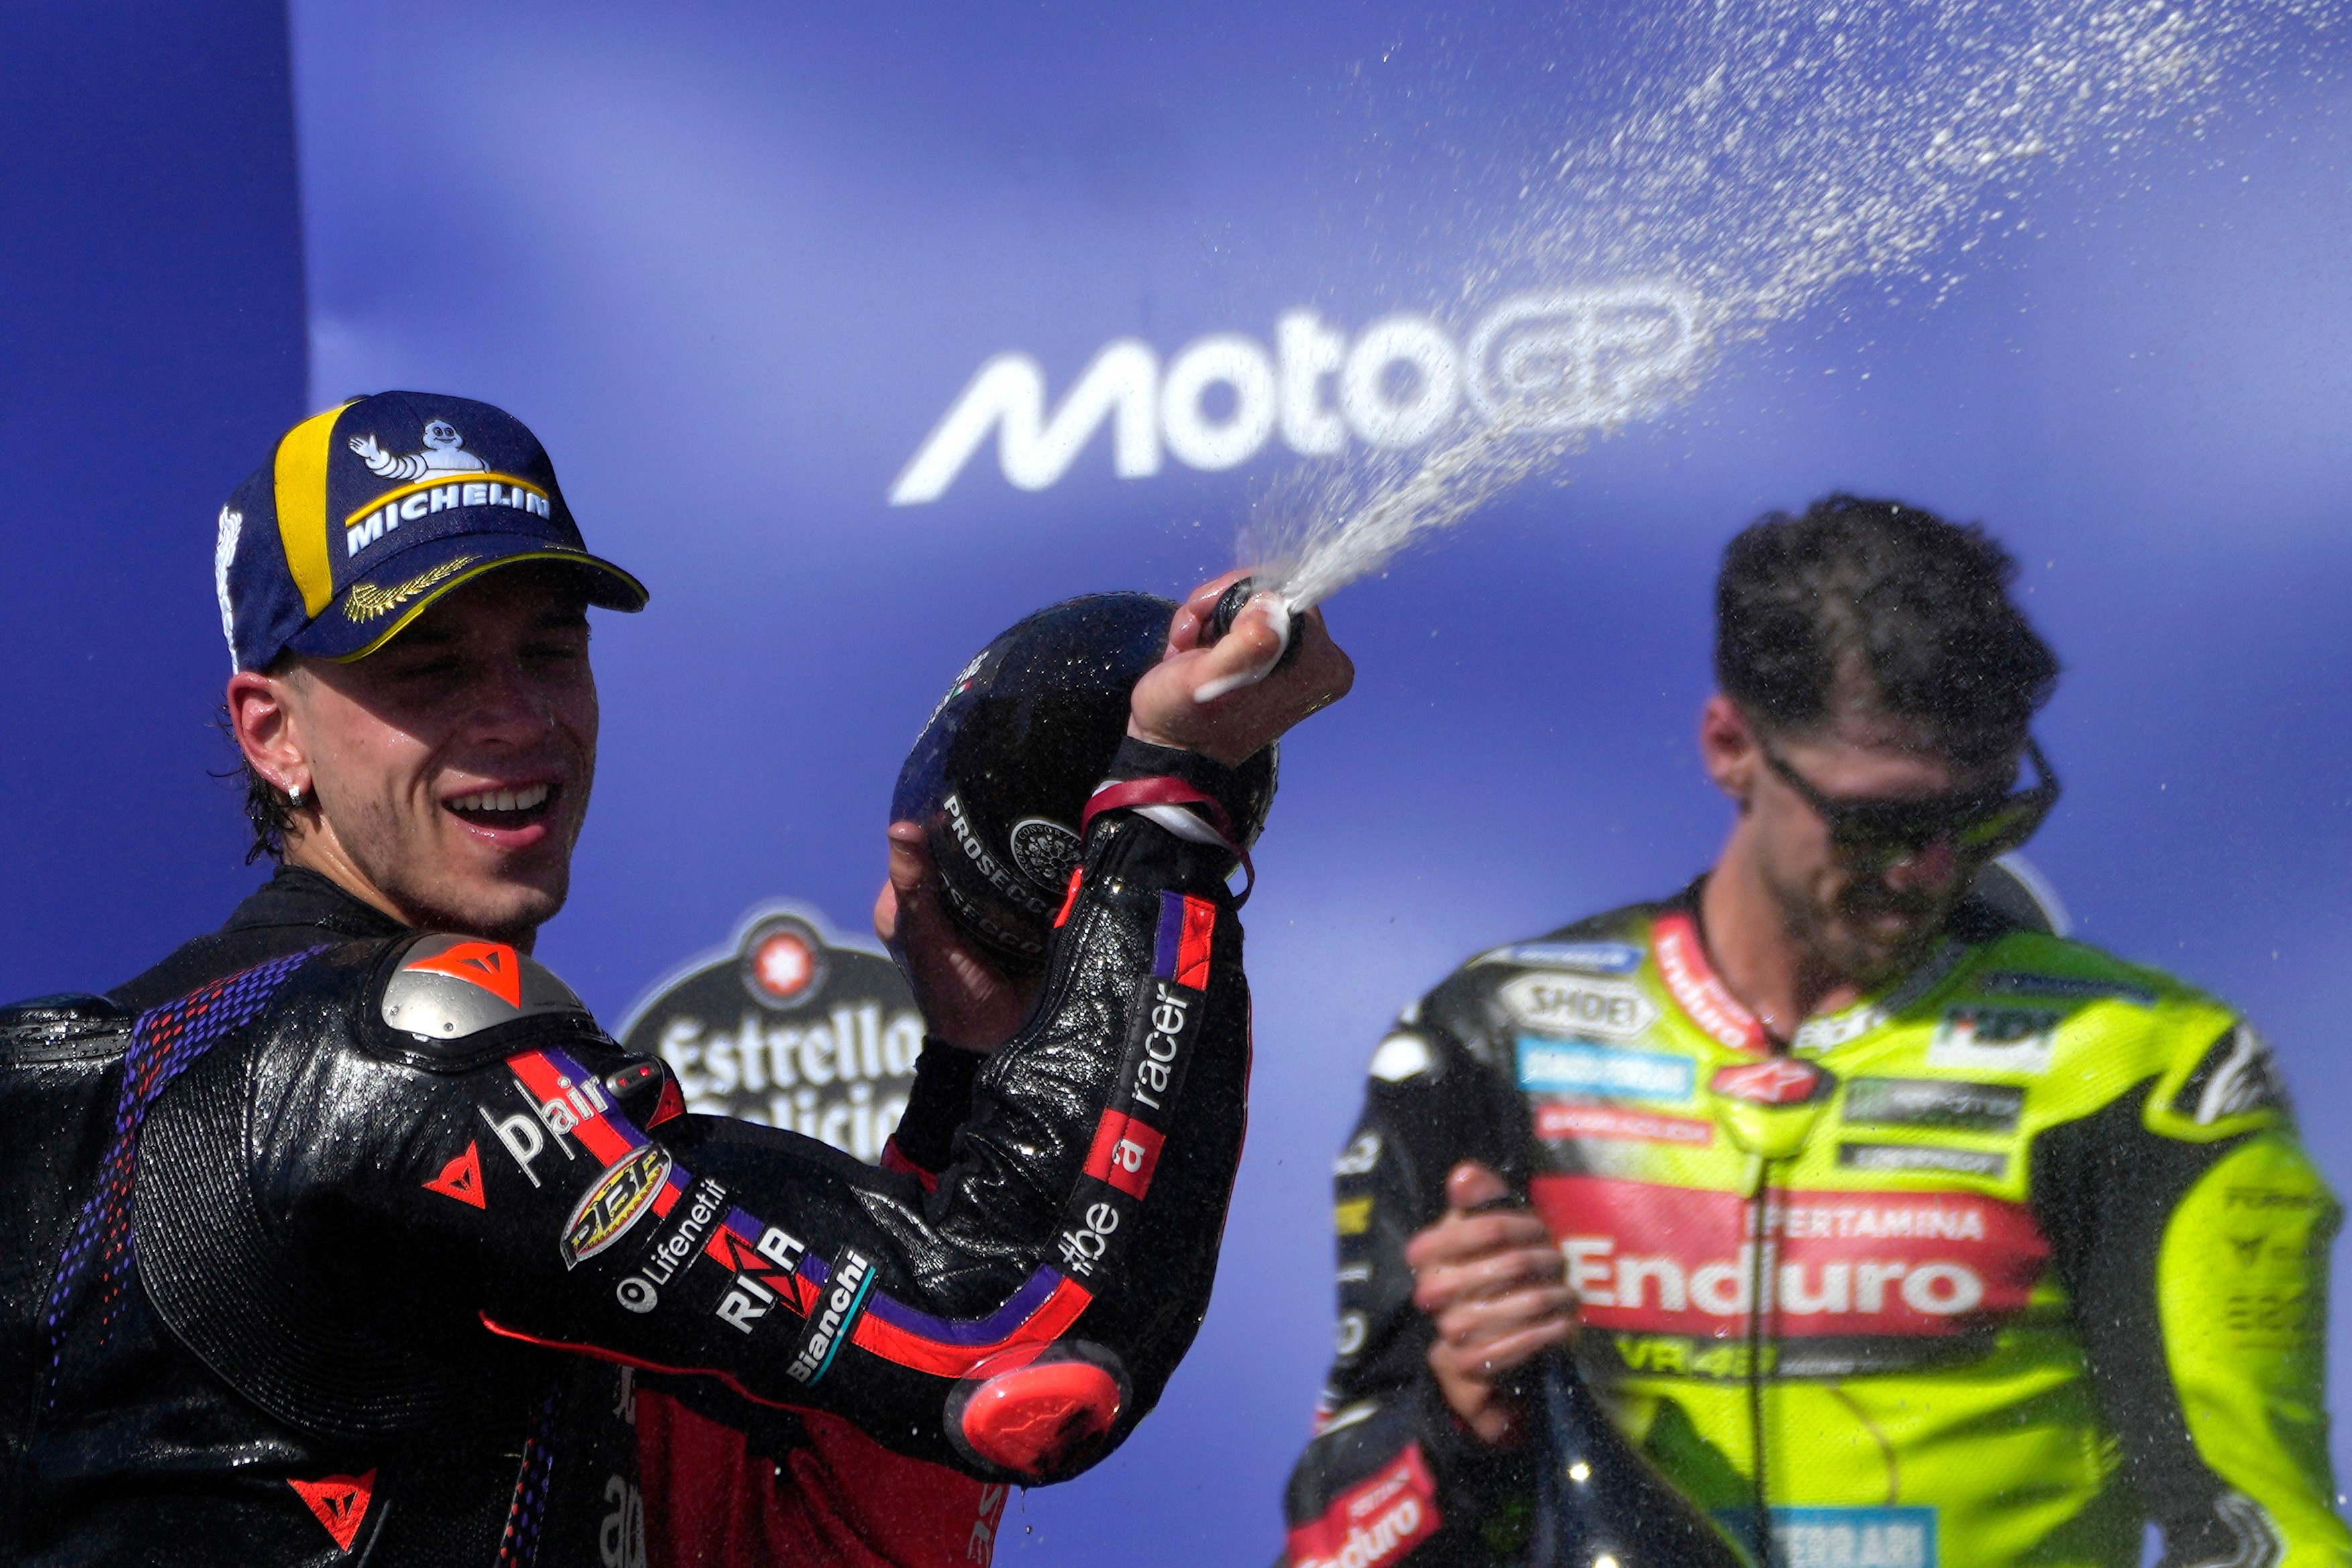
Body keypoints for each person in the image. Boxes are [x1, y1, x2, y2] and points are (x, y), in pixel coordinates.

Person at [0, 390, 1351, 1565]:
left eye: (548, 650)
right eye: (430, 668)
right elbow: (1021, 1340)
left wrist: (970, 1066)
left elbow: (799, 1529)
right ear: (272, 731)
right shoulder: (405, 1058)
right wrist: (1169, 809)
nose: (515, 718)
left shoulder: (76, 1081)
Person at [1280, 496, 2343, 1568]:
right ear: (1730, 746)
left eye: (1982, 816)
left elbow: (2264, 1535)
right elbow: (1334, 1546)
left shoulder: (2145, 1068)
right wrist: (1463, 1423)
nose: (1931, 869)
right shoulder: (1489, 1039)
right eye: (1882, 823)